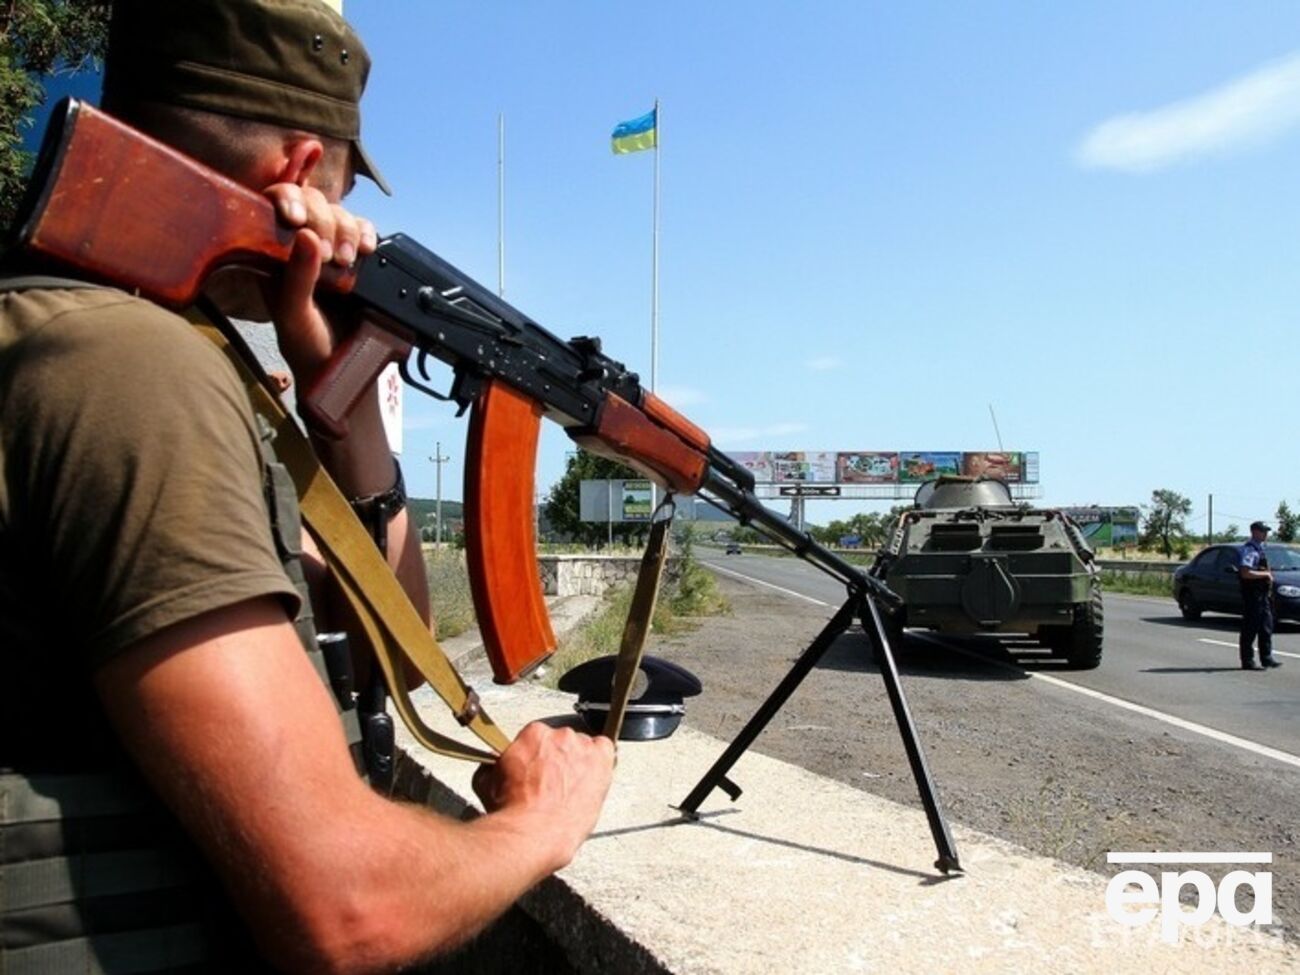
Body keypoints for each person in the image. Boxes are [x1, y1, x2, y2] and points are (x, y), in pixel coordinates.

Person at [0, 1, 614, 971]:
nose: (357, 222)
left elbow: (396, 648)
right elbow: (353, 911)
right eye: (345, 178)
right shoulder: (129, 367)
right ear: (298, 170)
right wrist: (546, 820)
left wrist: (349, 406)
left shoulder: (75, 333)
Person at [1237, 520, 1281, 671]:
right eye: (1263, 531)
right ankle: (1247, 660)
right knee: (1250, 627)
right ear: (1255, 532)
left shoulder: (1260, 549)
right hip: (1252, 595)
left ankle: (1266, 658)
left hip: (1263, 595)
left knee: (1266, 626)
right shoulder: (1249, 550)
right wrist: (1265, 574)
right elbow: (1245, 572)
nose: (1266, 534)